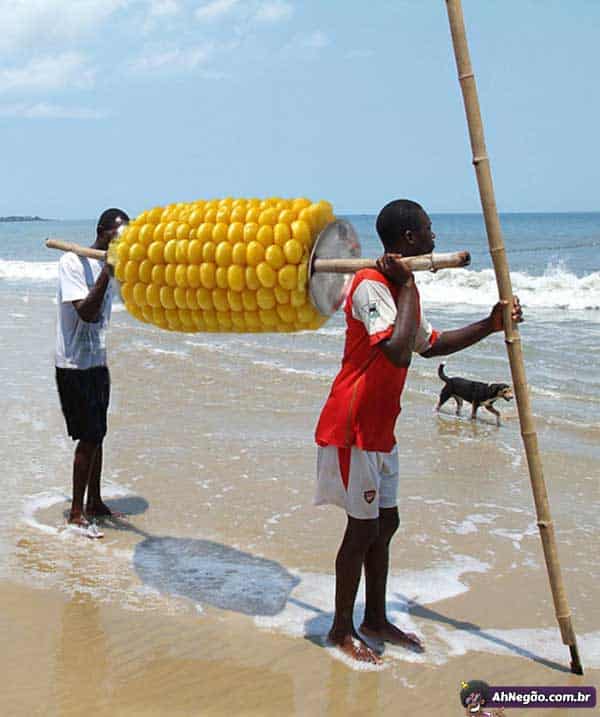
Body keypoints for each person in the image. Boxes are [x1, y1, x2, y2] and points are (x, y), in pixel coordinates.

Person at [314, 199, 523, 664]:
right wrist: (407, 285)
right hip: (353, 425)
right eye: (428, 230)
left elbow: (430, 345)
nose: (434, 238)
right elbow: (395, 350)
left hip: (381, 426)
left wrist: (491, 325)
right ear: (409, 238)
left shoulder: (400, 288)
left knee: (386, 523)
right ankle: (340, 628)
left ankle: (375, 618)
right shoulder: (371, 286)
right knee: (361, 529)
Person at [55, 208, 129, 527]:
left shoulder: (111, 267)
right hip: (73, 365)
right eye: (117, 236)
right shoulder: (72, 263)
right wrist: (107, 272)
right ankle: (76, 513)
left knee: (99, 434)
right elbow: (86, 312)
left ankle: (95, 502)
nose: (122, 243)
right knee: (87, 436)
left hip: (97, 362)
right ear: (101, 232)